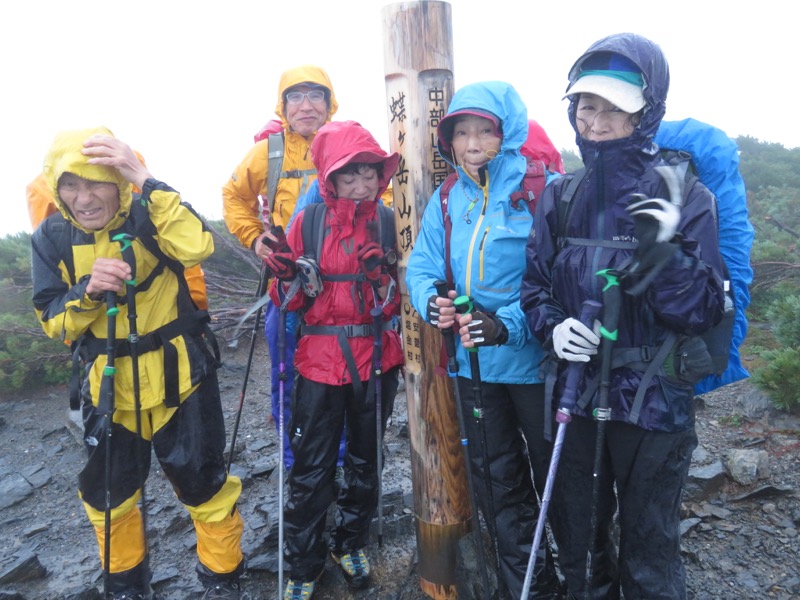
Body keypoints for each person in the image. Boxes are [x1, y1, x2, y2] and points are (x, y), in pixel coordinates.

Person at [520, 33, 727, 599]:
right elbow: (535, 290)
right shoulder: (560, 196)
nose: (598, 119)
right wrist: (555, 327)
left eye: (616, 107)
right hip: (576, 390)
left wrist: (663, 254)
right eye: (588, 105)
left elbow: (701, 309)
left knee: (650, 548)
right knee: (581, 543)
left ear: (647, 111)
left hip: (655, 398)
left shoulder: (685, 197)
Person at [31, 127, 245, 600]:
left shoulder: (150, 213)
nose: (84, 198)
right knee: (109, 494)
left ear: (118, 181)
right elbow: (53, 320)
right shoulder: (52, 236)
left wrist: (143, 176)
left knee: (203, 484)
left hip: (180, 378)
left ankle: (223, 576)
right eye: (71, 184)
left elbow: (197, 247)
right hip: (108, 388)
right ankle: (126, 586)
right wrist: (87, 292)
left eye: (98, 182)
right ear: (55, 187)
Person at [406, 81, 563, 599]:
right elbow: (424, 263)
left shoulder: (543, 190)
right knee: (499, 487)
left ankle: (580, 580)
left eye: (484, 131)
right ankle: (528, 588)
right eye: (461, 132)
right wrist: (431, 300)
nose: (472, 143)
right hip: (474, 368)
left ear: (507, 133)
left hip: (538, 364)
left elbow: (559, 277)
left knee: (560, 481)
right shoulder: (450, 197)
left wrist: (507, 325)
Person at [265, 120, 403, 599]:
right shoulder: (310, 222)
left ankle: (349, 543)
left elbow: (395, 306)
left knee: (367, 460)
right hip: (319, 361)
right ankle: (303, 567)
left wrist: (379, 280)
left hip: (377, 359)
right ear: (331, 178)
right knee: (311, 466)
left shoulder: (388, 222)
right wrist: (285, 276)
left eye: (369, 174)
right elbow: (290, 303)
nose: (363, 185)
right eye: (351, 176)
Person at [222, 64, 345, 469]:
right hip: (288, 284)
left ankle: (342, 460)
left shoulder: (348, 143)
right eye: (296, 96)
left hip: (343, 283)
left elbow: (382, 192)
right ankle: (296, 461)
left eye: (315, 96)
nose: (306, 106)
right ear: (283, 104)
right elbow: (234, 195)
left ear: (329, 104)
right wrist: (256, 238)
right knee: (286, 370)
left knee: (344, 368)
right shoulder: (269, 152)